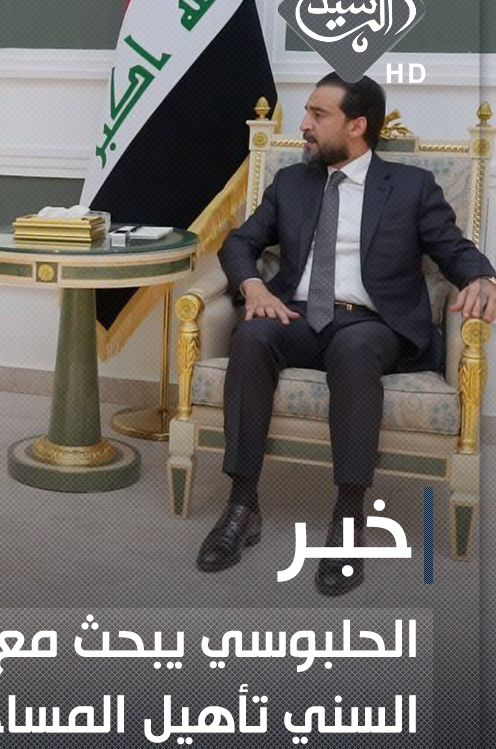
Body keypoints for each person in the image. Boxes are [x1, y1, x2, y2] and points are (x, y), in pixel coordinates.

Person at [198, 72, 496, 595]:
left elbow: (453, 248)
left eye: (318, 115)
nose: (304, 125)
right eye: (307, 113)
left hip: (371, 322)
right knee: (251, 336)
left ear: (357, 126)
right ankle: (242, 504)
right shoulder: (292, 182)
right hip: (296, 315)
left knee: (355, 349)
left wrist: (482, 277)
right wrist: (254, 286)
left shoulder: (410, 187)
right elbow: (240, 242)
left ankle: (348, 517)